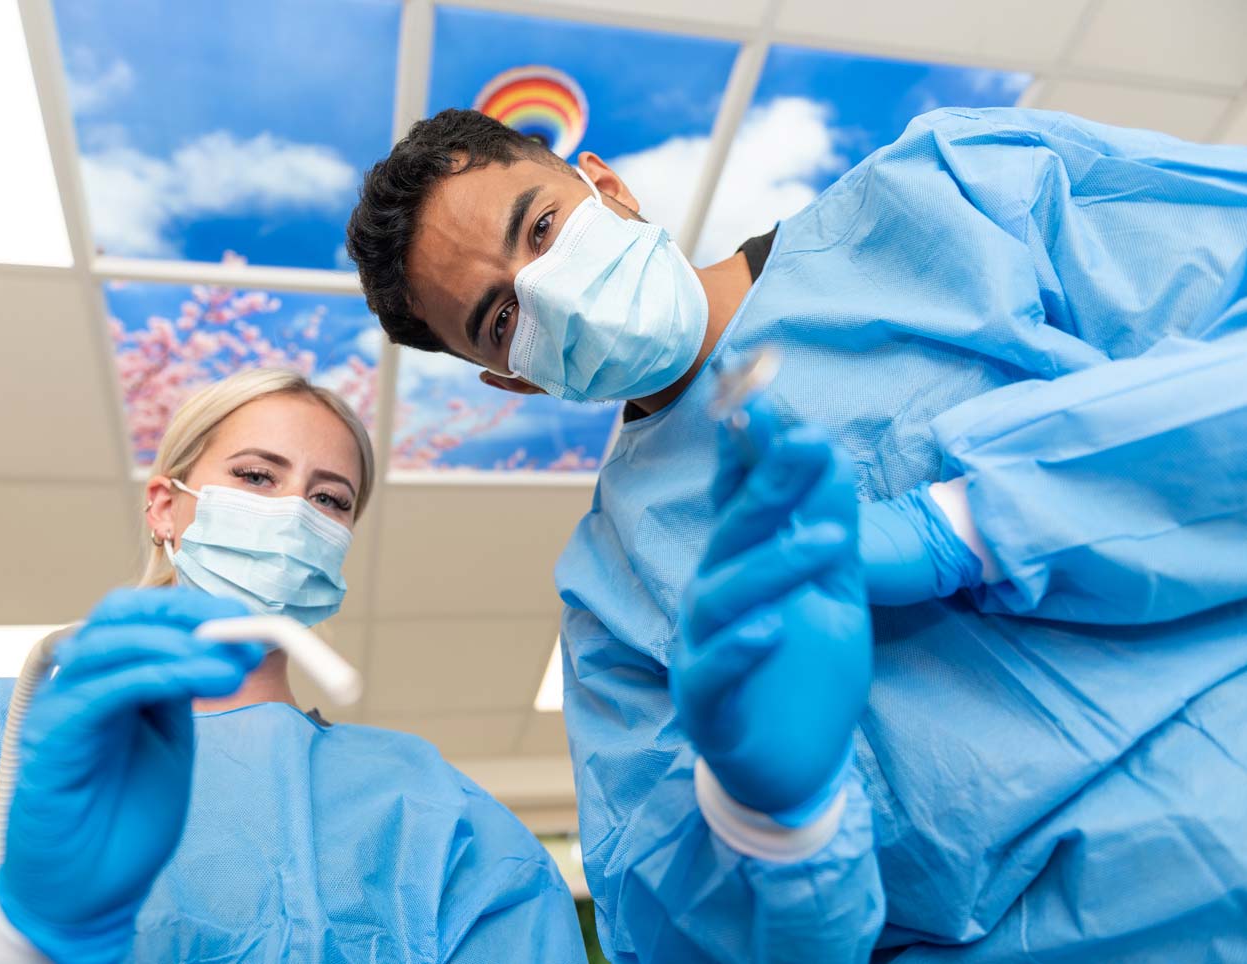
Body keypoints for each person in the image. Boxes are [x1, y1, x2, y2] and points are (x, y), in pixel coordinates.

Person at [346, 107, 1247, 960]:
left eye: (540, 230)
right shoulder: (617, 608)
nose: (554, 296)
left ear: (606, 187)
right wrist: (774, 822)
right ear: (512, 384)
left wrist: (966, 523)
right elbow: (685, 934)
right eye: (503, 319)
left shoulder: (957, 194)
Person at [0, 369, 587, 963]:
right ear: (165, 507)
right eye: (256, 476)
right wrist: (14, 940)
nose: (293, 515)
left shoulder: (430, 812)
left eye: (331, 500)